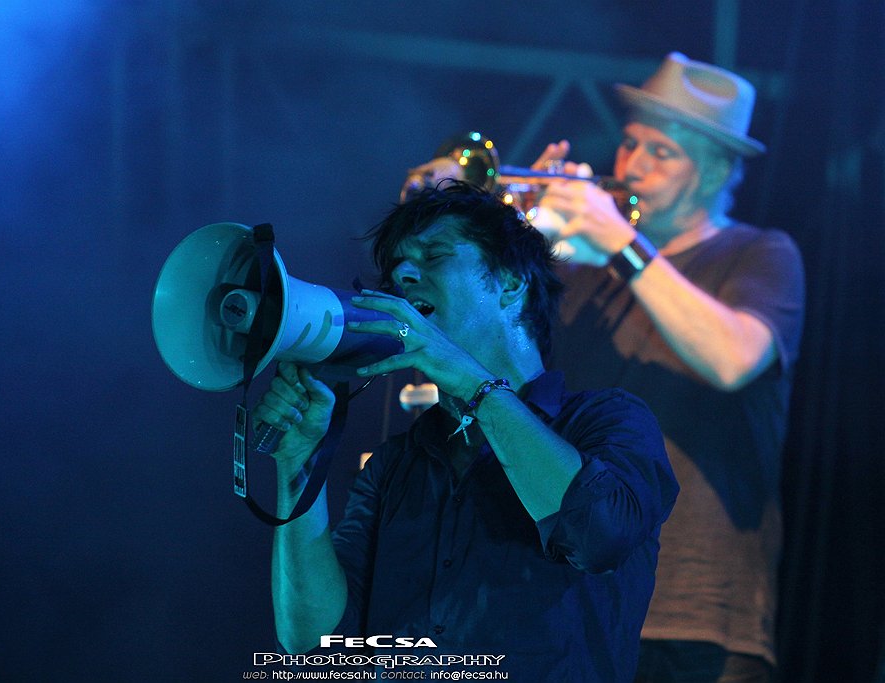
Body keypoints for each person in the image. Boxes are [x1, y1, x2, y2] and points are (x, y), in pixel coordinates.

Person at [253, 181, 678, 680]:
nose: (405, 276)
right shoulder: (395, 466)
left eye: (434, 256)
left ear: (511, 283)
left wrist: (474, 385)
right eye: (397, 270)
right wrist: (300, 464)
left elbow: (598, 537)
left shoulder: (608, 421)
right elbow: (315, 648)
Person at [534, 53, 806, 682]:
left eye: (663, 153)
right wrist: (521, 243)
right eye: (631, 143)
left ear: (715, 172)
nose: (633, 166)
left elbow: (733, 359)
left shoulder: (759, 254)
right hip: (575, 598)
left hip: (695, 614)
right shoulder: (584, 266)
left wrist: (623, 246)